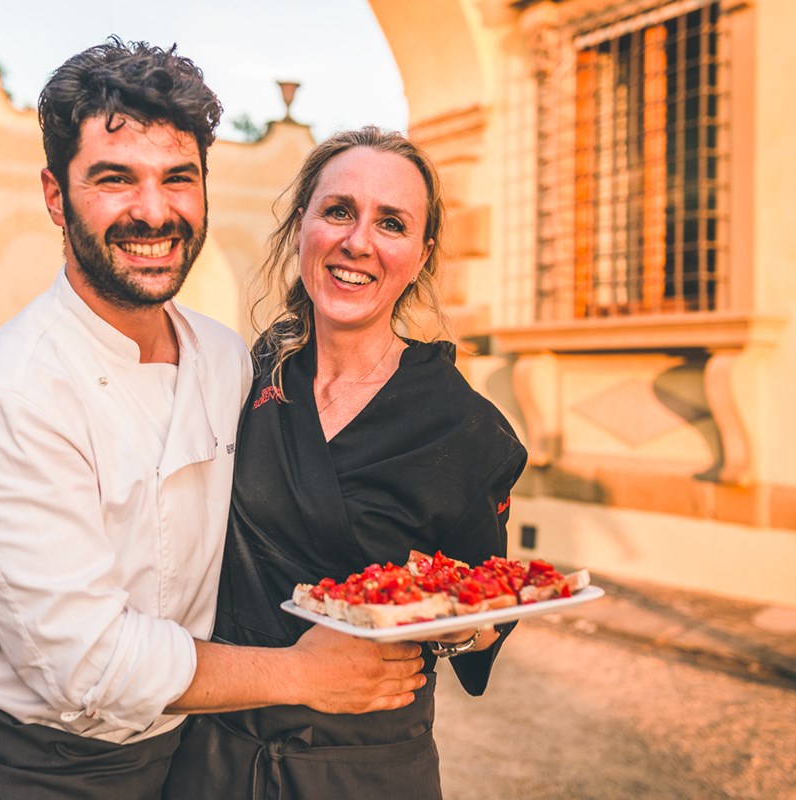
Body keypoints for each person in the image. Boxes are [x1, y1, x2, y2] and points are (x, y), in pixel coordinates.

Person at [0, 43, 425, 800]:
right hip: (24, 768)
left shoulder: (228, 362)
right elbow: (85, 664)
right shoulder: (10, 396)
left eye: (178, 179)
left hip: (182, 761)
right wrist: (305, 675)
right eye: (115, 179)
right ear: (56, 197)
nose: (154, 212)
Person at [163, 127, 529, 799]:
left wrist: (450, 622)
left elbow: (488, 616)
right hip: (215, 755)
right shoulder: (245, 377)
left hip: (367, 768)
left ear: (420, 257)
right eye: (338, 211)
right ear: (301, 227)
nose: (358, 240)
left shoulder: (465, 426)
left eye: (391, 223)